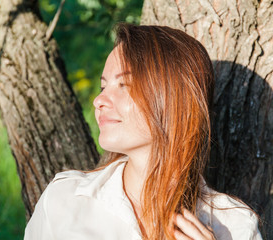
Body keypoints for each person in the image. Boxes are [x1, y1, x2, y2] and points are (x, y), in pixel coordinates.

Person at [24, 24, 262, 240]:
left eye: (124, 85)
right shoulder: (63, 201)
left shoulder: (235, 227)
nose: (98, 100)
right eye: (103, 86)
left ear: (173, 100)